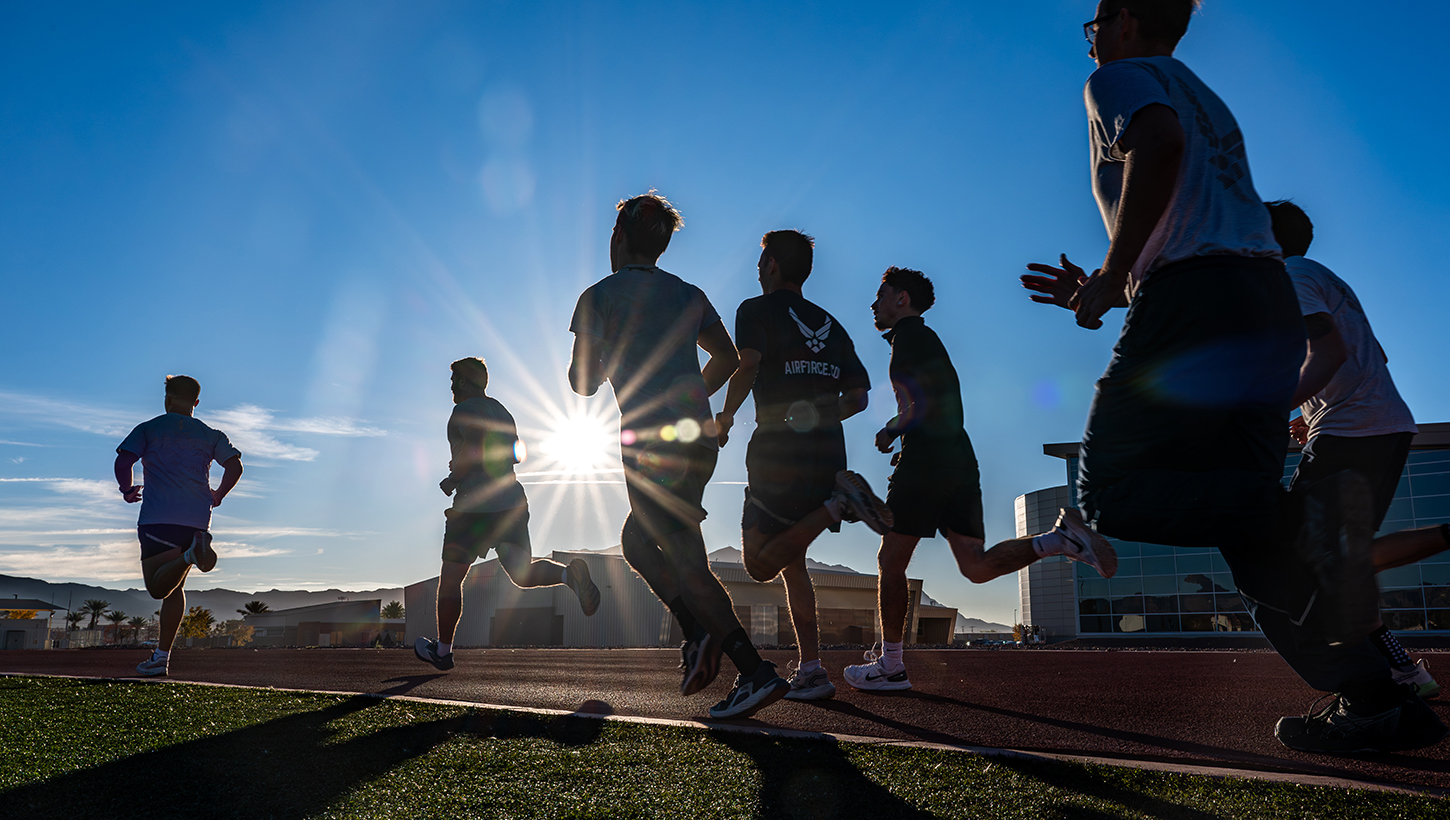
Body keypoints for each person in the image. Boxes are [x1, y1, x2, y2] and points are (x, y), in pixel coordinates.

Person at [1020, 0, 1445, 753]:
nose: (1092, 44)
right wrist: (1107, 284)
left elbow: (1157, 145)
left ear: (1121, 19)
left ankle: (1300, 532)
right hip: (1260, 309)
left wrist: (1119, 270)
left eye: (1093, 28)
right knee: (1253, 547)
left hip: (1201, 298)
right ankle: (1379, 700)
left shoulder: (1120, 78)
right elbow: (1199, 223)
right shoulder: (1205, 95)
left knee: (1109, 492)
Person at [844, 267, 1118, 693]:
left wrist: (893, 429)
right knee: (975, 567)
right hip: (958, 462)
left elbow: (929, 402)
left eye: (880, 294)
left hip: (926, 463)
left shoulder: (911, 338)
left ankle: (891, 665)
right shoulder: (922, 340)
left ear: (901, 299)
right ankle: (1059, 541)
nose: (873, 303)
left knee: (889, 561)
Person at [569, 192, 789, 719]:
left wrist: (606, 360)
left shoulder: (597, 296)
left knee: (687, 560)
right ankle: (696, 634)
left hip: (649, 444)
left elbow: (582, 385)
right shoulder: (688, 292)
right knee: (636, 542)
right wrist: (690, 397)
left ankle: (753, 670)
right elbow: (728, 358)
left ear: (618, 237)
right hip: (696, 438)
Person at [1267, 199, 1448, 698]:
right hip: (1375, 426)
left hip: (1353, 431)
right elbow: (1372, 354)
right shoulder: (1320, 277)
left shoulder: (1291, 275)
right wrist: (1307, 413)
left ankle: (1379, 685)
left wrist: (1272, 410)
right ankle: (1403, 670)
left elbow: (1331, 351)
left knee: (1298, 557)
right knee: (1343, 561)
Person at [715, 229, 892, 701]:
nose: (757, 271)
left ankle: (839, 505)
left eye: (760, 264)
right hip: (828, 456)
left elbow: (747, 364)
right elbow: (858, 396)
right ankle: (812, 670)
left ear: (771, 265)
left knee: (758, 564)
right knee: (794, 563)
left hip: (776, 455)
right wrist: (818, 414)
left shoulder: (755, 310)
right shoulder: (832, 324)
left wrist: (727, 415)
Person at [414, 357, 602, 671]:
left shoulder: (463, 410)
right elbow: (517, 452)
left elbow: (475, 444)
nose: (450, 388)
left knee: (450, 582)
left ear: (463, 381)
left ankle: (443, 651)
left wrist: (455, 477)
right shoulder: (502, 411)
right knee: (521, 572)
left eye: (452, 381)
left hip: (474, 509)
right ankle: (570, 575)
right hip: (512, 503)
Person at [114, 375, 243, 677]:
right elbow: (235, 466)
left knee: (158, 588)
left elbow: (123, 462)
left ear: (167, 399)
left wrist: (127, 489)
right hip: (197, 520)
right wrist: (219, 495)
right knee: (176, 588)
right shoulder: (211, 434)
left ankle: (189, 557)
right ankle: (161, 657)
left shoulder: (149, 429)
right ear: (196, 402)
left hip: (159, 517)